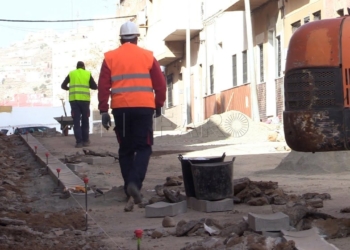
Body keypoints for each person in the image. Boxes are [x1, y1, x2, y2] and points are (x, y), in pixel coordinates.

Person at [97, 21, 166, 204]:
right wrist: (159, 104)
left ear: (121, 39)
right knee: (143, 147)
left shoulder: (110, 57)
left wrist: (104, 109)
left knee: (126, 149)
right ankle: (135, 183)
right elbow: (160, 84)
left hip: (121, 110)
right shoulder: (147, 56)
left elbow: (103, 85)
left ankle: (129, 186)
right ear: (137, 37)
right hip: (144, 108)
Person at [61, 61, 97, 148]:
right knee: (85, 121)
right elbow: (95, 86)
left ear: (77, 67)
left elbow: (63, 85)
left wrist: (69, 88)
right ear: (83, 66)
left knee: (76, 122)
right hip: (85, 101)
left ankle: (79, 142)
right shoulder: (87, 74)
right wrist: (87, 85)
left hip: (74, 101)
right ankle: (86, 141)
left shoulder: (72, 74)